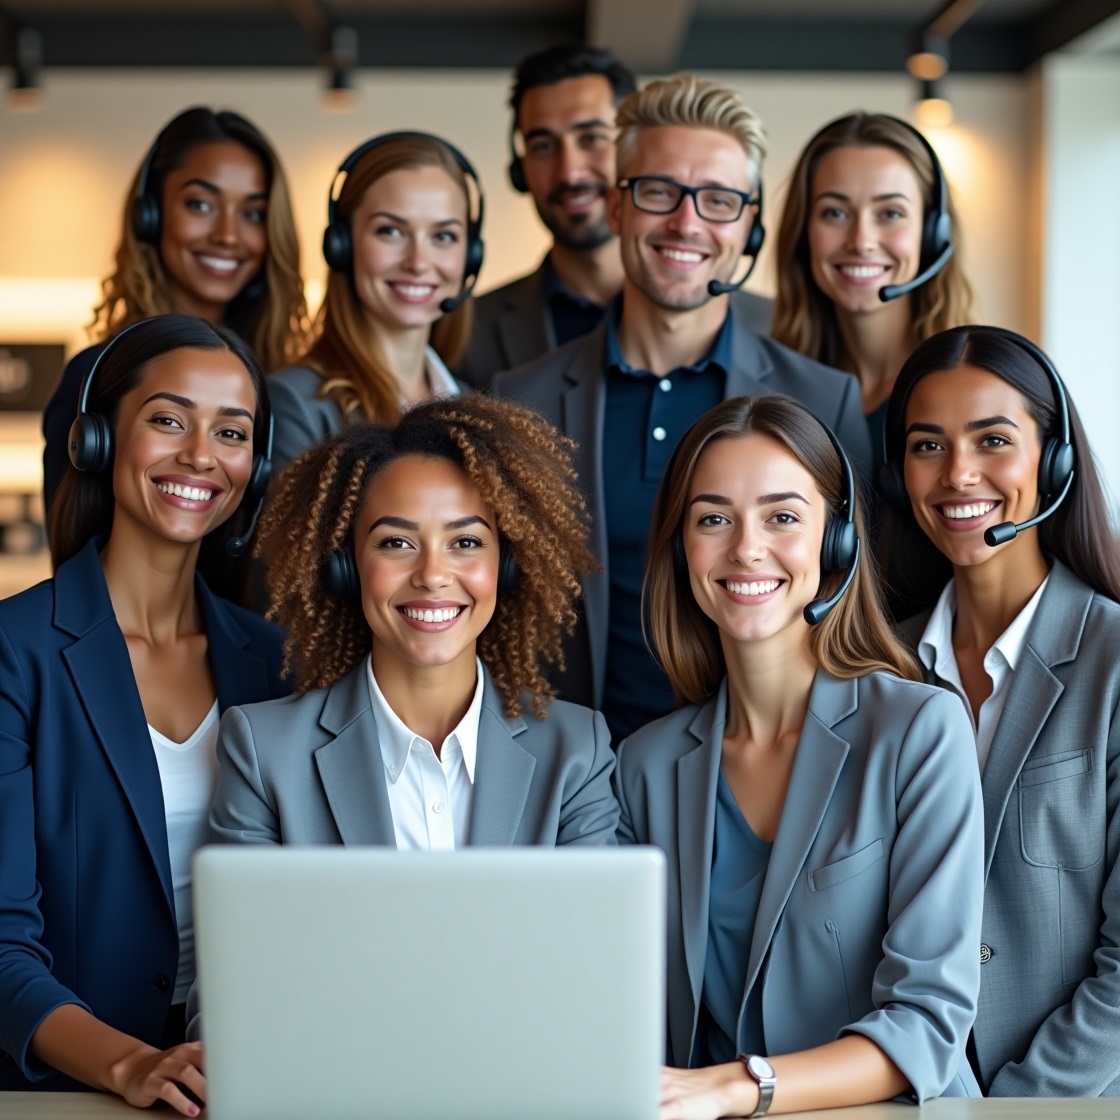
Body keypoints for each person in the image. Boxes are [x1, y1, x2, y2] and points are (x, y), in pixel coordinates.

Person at [615, 394, 983, 1118]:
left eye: (783, 517)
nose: (746, 549)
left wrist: (735, 1086)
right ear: (681, 548)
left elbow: (928, 1022)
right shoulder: (642, 768)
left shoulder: (921, 731)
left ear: (836, 543)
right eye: (713, 518)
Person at [493, 74, 871, 740]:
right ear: (617, 210)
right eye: (659, 192)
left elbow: (859, 611)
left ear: (749, 225)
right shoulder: (516, 402)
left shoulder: (822, 400)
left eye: (720, 200)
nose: (687, 223)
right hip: (569, 780)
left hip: (765, 771)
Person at [0, 315, 288, 1111]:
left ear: (254, 465)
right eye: (168, 420)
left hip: (250, 1081)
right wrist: (131, 1065)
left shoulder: (275, 663)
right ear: (98, 438)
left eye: (231, 432)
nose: (201, 455)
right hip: (72, 1086)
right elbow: (0, 945)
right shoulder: (14, 652)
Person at [207, 394, 618, 855]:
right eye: (397, 542)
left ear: (506, 567)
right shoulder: (264, 752)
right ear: (344, 567)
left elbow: (591, 928)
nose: (432, 575)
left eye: (465, 541)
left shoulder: (578, 752)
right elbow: (251, 928)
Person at [883, 325, 1120, 1096]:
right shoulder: (879, 672)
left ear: (1052, 460)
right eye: (927, 445)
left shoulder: (1113, 659)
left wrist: (1015, 1111)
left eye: (992, 440)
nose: (958, 474)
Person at [42, 107, 310, 513]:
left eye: (252, 213)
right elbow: (73, 546)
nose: (227, 235)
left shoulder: (287, 390)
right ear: (150, 215)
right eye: (201, 205)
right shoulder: (96, 377)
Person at [457, 45, 771, 389]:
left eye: (591, 138)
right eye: (544, 146)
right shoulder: (466, 333)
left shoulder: (773, 327)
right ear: (520, 169)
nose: (570, 173)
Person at [266, 131, 483, 474]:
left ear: (471, 257)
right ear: (342, 246)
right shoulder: (296, 403)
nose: (418, 262)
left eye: (443, 236)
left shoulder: (473, 407)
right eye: (391, 231)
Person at [771, 112, 974, 472]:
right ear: (803, 234)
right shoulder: (771, 387)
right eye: (834, 212)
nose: (861, 241)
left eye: (890, 213)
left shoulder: (976, 388)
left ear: (932, 236)